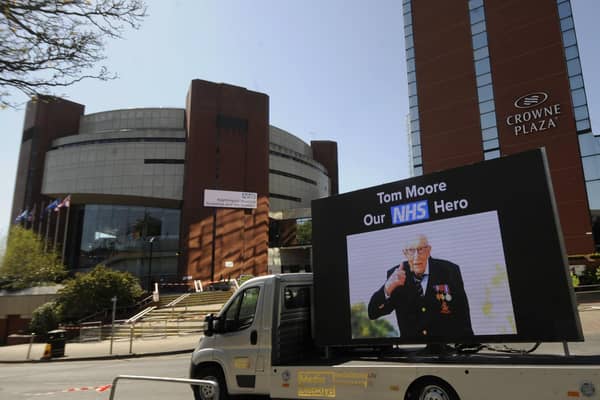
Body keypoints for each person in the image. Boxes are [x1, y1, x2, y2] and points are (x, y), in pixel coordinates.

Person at [368, 234, 473, 340]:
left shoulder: (449, 270)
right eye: (411, 251)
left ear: (429, 250)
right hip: (412, 350)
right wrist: (388, 287)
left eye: (421, 250)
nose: (416, 256)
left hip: (445, 349)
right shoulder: (396, 274)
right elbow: (373, 313)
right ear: (405, 253)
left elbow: (463, 314)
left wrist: (468, 347)